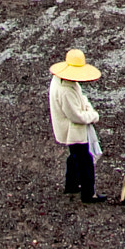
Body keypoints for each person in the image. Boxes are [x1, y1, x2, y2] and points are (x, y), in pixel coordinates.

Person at [48, 49, 106, 202]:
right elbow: (76, 116)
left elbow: (81, 99)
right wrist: (93, 115)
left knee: (74, 157)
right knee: (84, 160)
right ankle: (88, 193)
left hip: (68, 129)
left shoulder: (60, 81)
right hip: (73, 130)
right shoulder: (66, 91)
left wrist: (87, 108)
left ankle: (71, 185)